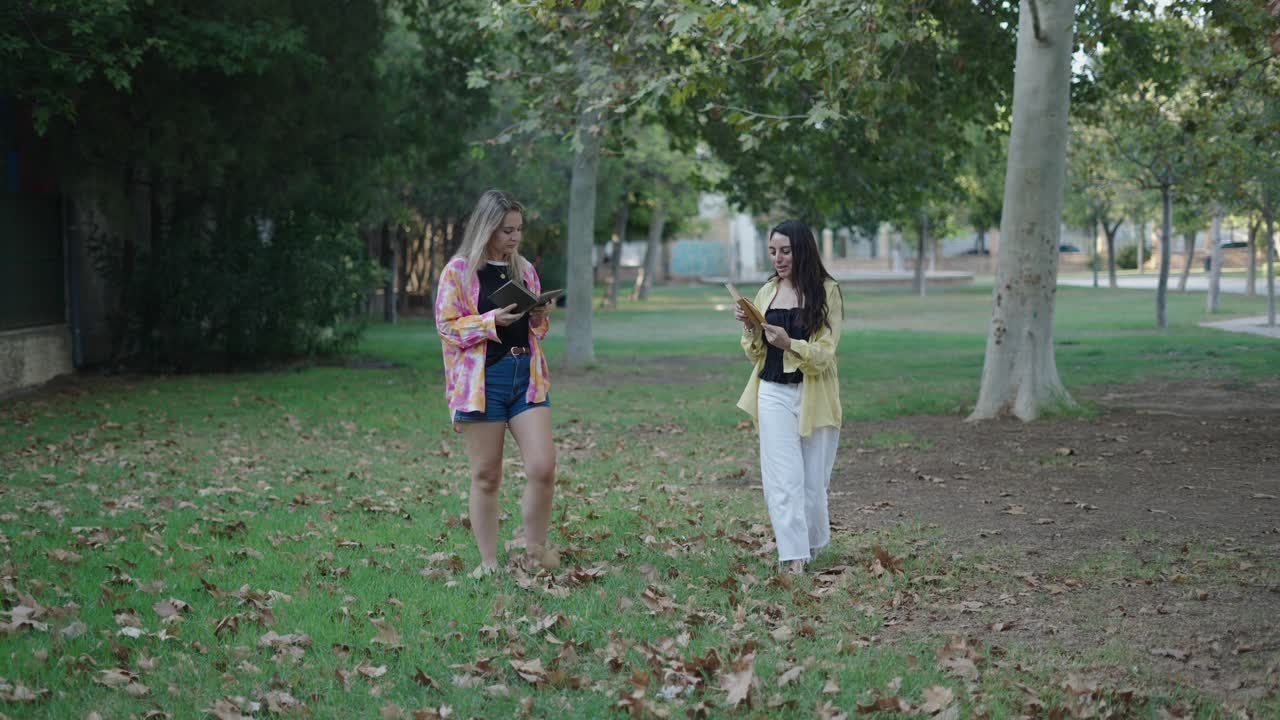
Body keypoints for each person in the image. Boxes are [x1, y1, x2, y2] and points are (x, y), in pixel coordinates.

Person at [435, 189, 559, 578]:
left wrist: (538, 314)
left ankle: (534, 554)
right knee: (487, 475)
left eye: (519, 229)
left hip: (527, 379)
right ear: (486, 228)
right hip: (482, 382)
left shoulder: (524, 270)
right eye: (506, 230)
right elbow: (446, 326)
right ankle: (488, 563)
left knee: (543, 467)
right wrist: (491, 322)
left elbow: (536, 330)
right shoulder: (458, 271)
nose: (514, 237)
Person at [734, 220, 843, 575]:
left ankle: (811, 545)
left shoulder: (827, 291)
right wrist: (752, 330)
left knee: (813, 485)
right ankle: (792, 557)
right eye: (772, 251)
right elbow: (756, 355)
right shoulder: (767, 291)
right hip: (773, 393)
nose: (778, 258)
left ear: (802, 250)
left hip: (815, 397)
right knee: (783, 480)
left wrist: (790, 344)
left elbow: (826, 354)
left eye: (785, 251)